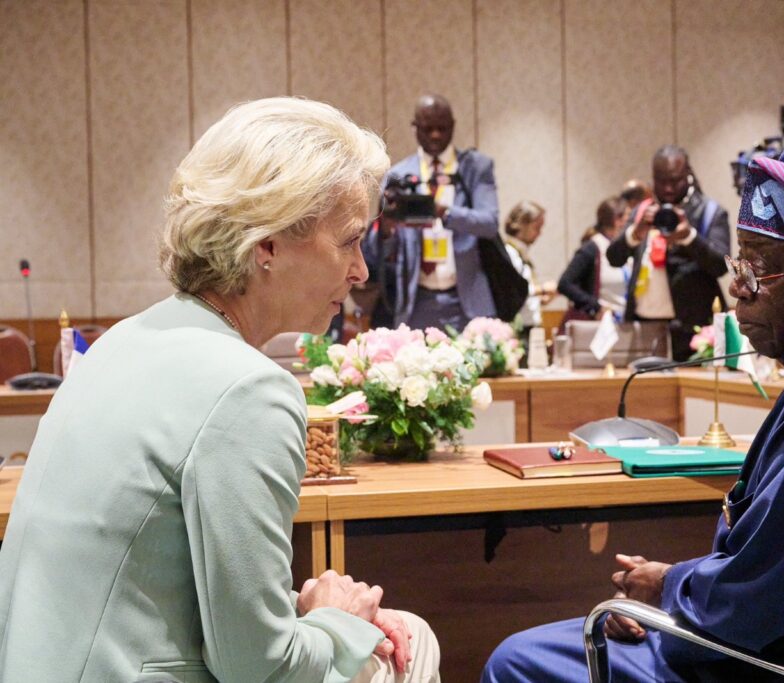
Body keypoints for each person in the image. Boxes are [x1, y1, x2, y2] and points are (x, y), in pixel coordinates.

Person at [482, 133, 784, 682]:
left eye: (759, 273)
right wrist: (686, 582)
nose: (738, 291)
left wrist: (664, 588)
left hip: (776, 662)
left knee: (516, 661)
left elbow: (767, 597)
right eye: (738, 266)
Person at [0, 98, 440, 682]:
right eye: (349, 241)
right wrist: (338, 620)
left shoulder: (120, 342)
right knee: (409, 643)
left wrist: (320, 617)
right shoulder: (249, 391)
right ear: (268, 245)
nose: (361, 271)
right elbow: (259, 669)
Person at [364, 93, 499, 332]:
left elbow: (489, 223)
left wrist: (443, 212)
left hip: (467, 302)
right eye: (428, 128)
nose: (436, 135)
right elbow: (375, 254)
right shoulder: (397, 176)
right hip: (416, 302)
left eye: (442, 128)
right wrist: (386, 229)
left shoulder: (475, 167)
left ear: (453, 126)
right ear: (415, 128)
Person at [607, 146, 730, 360]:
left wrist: (689, 237)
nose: (668, 188)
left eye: (675, 181)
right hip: (643, 329)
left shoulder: (709, 212)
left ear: (688, 175)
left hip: (694, 333)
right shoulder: (642, 212)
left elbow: (721, 265)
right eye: (661, 181)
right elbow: (613, 257)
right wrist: (635, 233)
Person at [557, 196, 630, 322]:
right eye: (628, 217)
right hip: (600, 325)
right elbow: (565, 283)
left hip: (623, 322)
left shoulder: (625, 246)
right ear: (616, 220)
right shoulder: (592, 248)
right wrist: (596, 307)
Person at [503, 200, 556, 330]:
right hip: (519, 327)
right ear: (522, 225)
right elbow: (513, 290)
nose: (540, 233)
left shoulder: (521, 253)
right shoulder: (510, 254)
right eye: (536, 227)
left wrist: (540, 300)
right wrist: (543, 289)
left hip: (530, 324)